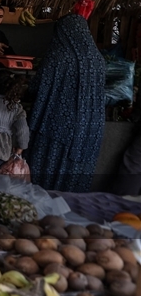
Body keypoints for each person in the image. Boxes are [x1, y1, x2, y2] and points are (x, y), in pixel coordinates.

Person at [26, 13, 105, 193]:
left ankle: (44, 202)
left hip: (58, 124)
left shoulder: (58, 56)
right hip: (89, 126)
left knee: (49, 164)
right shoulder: (98, 59)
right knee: (77, 170)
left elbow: (38, 87)